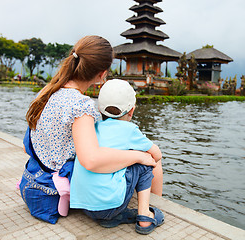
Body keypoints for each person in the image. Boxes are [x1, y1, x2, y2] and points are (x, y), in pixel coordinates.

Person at [19, 35, 159, 224]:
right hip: (56, 189)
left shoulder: (49, 92)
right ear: (102, 74)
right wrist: (138, 156)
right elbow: (91, 160)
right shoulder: (80, 104)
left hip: (34, 178)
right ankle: (149, 209)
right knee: (150, 162)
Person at [70, 79, 164, 235]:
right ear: (131, 110)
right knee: (146, 160)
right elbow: (157, 154)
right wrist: (140, 155)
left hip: (83, 206)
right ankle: (145, 215)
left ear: (99, 109)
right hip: (109, 207)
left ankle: (112, 217)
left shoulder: (92, 128)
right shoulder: (130, 130)